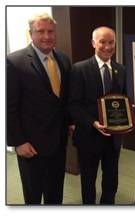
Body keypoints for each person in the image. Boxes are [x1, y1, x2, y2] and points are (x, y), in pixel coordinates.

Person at [6, 13, 72, 204]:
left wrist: (69, 122)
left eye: (50, 31)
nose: (46, 36)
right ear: (31, 33)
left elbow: (63, 99)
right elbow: (9, 107)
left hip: (58, 142)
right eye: (40, 31)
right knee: (33, 194)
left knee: (55, 190)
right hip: (31, 145)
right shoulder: (14, 61)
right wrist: (18, 142)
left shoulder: (64, 59)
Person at [68, 26, 126, 204]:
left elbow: (123, 101)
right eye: (103, 42)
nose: (108, 47)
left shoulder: (121, 69)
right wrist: (92, 122)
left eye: (111, 42)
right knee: (88, 180)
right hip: (89, 136)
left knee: (111, 179)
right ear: (93, 43)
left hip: (113, 137)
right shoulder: (79, 69)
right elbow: (73, 104)